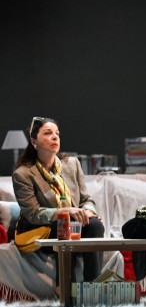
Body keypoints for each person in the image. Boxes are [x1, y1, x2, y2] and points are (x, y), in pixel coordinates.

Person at [12, 116, 104, 289]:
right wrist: (66, 211)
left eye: (57, 133)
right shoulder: (23, 174)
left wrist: (88, 211)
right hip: (42, 229)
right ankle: (65, 289)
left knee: (95, 226)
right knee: (66, 225)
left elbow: (86, 200)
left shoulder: (72, 164)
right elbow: (33, 213)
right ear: (34, 141)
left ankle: (93, 287)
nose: (55, 137)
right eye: (48, 133)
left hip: (73, 223)